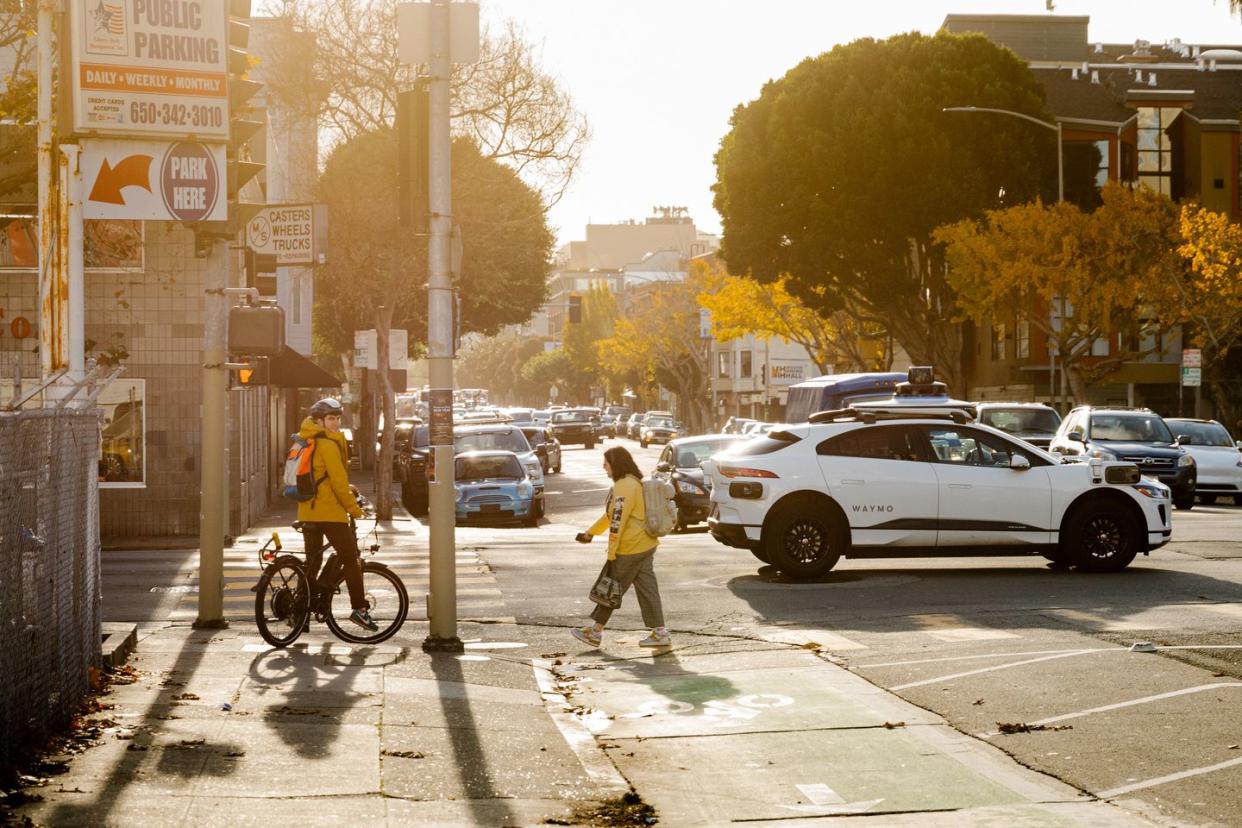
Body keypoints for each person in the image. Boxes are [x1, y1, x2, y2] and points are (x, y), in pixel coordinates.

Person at [572, 445, 669, 648]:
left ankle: (595, 632)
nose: (604, 468)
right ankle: (660, 632)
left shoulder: (624, 485)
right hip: (646, 543)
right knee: (647, 589)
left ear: (615, 464)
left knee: (611, 589)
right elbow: (611, 516)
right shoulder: (633, 482)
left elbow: (618, 520)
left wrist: (612, 552)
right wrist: (591, 533)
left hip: (631, 547)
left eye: (606, 464)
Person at [297, 397, 378, 632]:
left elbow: (322, 477)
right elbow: (339, 484)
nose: (335, 423)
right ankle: (359, 610)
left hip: (307, 509)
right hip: (330, 512)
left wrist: (347, 489)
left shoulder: (306, 439)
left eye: (337, 418)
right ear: (319, 420)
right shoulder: (328, 445)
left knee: (313, 561)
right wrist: (355, 510)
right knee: (351, 558)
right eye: (330, 418)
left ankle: (299, 611)